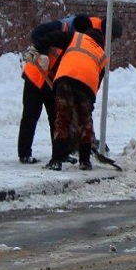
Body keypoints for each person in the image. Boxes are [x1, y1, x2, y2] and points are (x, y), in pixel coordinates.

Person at [16, 14, 105, 164]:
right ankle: (24, 153)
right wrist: (41, 53)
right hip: (35, 75)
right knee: (30, 117)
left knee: (57, 118)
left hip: (52, 81)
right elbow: (38, 34)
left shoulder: (77, 42)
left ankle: (61, 153)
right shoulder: (62, 29)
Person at [37, 19, 123, 171]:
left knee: (62, 120)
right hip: (87, 86)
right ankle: (85, 161)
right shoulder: (102, 55)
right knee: (85, 123)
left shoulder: (75, 37)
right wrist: (88, 104)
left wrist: (38, 47)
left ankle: (56, 160)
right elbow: (97, 81)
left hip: (65, 80)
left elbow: (52, 38)